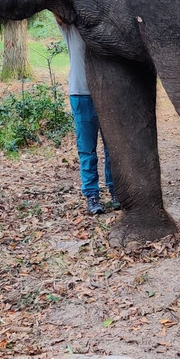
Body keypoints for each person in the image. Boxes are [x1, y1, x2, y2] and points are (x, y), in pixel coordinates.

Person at [56, 19, 116, 215]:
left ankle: (116, 191)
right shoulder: (71, 29)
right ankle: (92, 195)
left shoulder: (104, 26)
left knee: (112, 148)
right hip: (81, 95)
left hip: (107, 94)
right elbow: (56, 13)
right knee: (87, 150)